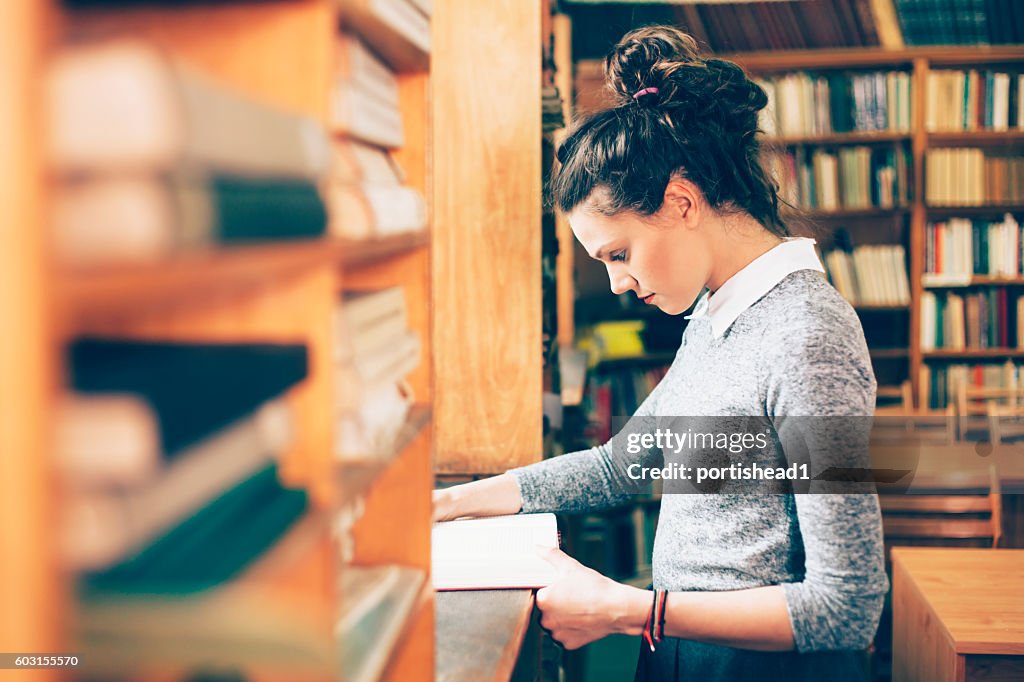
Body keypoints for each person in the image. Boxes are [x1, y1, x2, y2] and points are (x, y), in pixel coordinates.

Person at [433, 25, 888, 682]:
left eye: (619, 254)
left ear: (681, 202)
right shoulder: (714, 315)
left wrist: (630, 610)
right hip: (679, 647)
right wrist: (451, 504)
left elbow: (847, 607)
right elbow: (622, 467)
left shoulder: (805, 336)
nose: (617, 283)